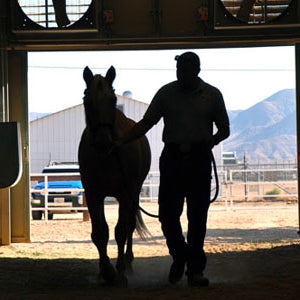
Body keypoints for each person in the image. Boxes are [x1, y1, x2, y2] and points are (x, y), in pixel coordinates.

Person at [115, 51, 230, 287]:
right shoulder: (166, 93)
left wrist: (214, 140)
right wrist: (123, 140)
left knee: (197, 217)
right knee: (167, 216)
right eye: (178, 71)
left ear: (196, 70)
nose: (180, 75)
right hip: (173, 158)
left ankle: (194, 270)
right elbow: (147, 123)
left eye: (185, 71)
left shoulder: (212, 95)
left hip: (199, 158)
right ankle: (181, 256)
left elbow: (225, 128)